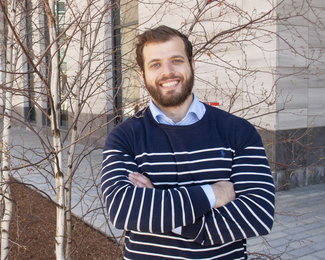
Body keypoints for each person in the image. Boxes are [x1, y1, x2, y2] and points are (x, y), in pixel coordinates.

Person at [101, 25, 275, 259]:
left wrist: (161, 208)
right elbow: (124, 211)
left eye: (176, 60)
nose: (168, 71)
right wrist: (213, 194)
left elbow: (256, 215)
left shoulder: (237, 131)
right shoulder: (124, 136)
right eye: (155, 64)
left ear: (192, 64)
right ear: (142, 74)